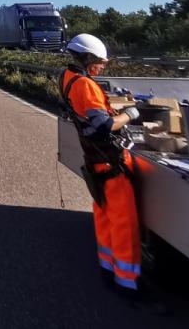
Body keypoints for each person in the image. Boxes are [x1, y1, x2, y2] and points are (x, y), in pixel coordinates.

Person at [60, 33, 143, 299]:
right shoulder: (85, 85)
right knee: (124, 221)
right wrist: (129, 114)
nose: (101, 67)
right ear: (85, 59)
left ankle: (107, 266)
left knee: (105, 213)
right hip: (110, 159)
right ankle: (127, 282)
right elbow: (104, 126)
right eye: (98, 62)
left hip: (95, 160)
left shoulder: (67, 78)